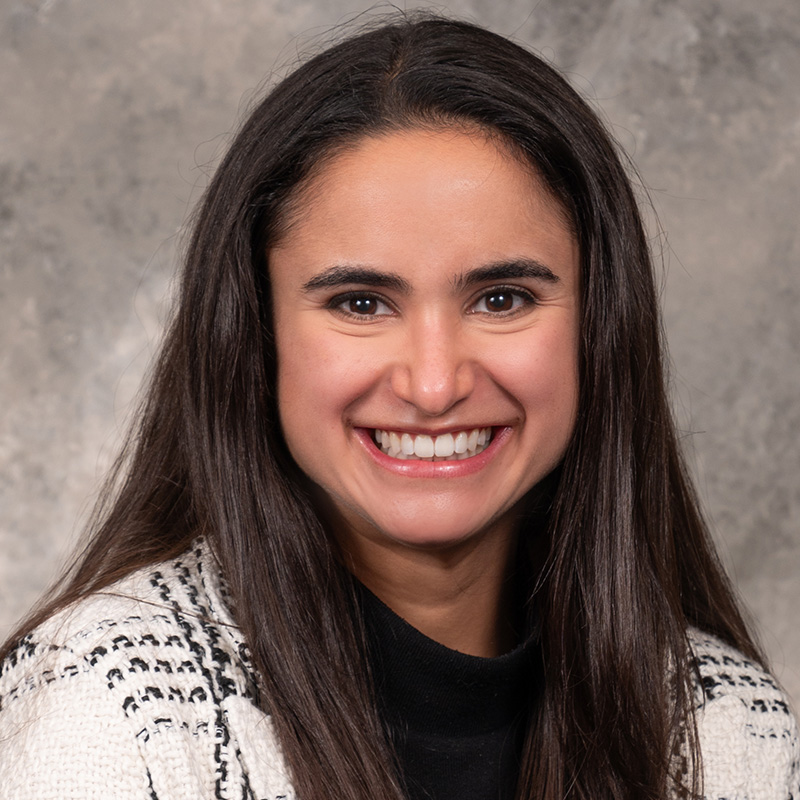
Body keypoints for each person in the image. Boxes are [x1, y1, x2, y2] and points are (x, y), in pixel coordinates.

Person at [0, 13, 797, 800]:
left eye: (501, 297)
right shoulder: (108, 705)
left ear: (600, 327)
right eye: (360, 304)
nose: (434, 383)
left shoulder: (727, 729)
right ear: (255, 334)